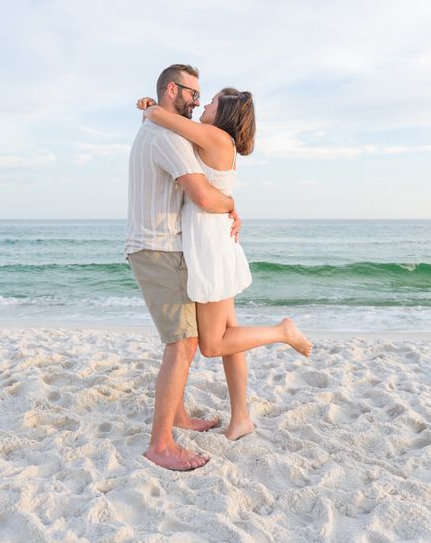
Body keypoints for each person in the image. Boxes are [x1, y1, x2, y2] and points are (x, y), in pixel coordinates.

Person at [135, 82, 313, 443]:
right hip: (211, 238)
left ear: (226, 114)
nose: (205, 103)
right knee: (231, 333)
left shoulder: (216, 138)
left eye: (213, 101)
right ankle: (242, 418)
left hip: (211, 246)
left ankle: (283, 332)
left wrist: (152, 109)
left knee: (213, 345)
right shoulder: (217, 141)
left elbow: (165, 120)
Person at [126, 64, 240, 471]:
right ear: (172, 90)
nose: (197, 100)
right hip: (160, 248)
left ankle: (178, 416)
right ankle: (161, 444)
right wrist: (231, 205)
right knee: (181, 345)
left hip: (158, 246)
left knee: (186, 343)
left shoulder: (161, 127)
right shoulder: (168, 136)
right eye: (193, 93)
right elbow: (204, 197)